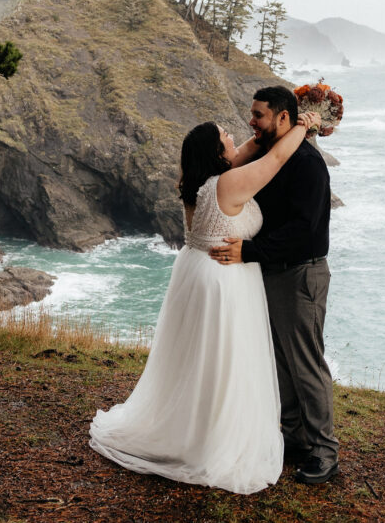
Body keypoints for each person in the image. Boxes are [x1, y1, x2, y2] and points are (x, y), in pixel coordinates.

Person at [89, 109, 319, 494]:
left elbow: (247, 149)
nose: (234, 136)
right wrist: (303, 125)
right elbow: (275, 159)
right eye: (225, 135)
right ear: (216, 153)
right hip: (222, 279)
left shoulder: (197, 183)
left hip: (196, 273)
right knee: (224, 359)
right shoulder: (227, 185)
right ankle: (214, 439)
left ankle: (193, 428)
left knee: (197, 360)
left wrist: (269, 129)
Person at [210, 85, 339, 485]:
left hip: (301, 274)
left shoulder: (307, 163)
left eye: (259, 114)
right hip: (274, 270)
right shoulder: (272, 151)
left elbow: (304, 231)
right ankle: (294, 437)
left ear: (284, 117)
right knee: (280, 360)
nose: (252, 120)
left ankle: (324, 452)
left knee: (305, 364)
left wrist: (249, 250)